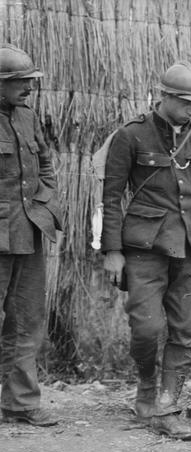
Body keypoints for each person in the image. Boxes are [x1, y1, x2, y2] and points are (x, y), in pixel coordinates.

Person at [101, 61, 191, 439]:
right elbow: (110, 198)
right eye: (186, 102)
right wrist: (112, 251)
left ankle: (167, 402)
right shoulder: (132, 136)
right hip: (144, 248)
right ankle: (146, 385)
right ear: (165, 97)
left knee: (186, 327)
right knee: (146, 326)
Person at [0, 44, 63, 426]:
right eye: (19, 82)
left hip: (28, 232)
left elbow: (44, 164)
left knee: (26, 322)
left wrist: (45, 203)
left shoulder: (27, 116)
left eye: (29, 80)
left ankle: (19, 404)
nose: (28, 88)